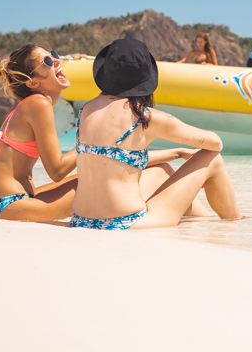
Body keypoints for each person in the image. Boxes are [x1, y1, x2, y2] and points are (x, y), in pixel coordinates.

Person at [71, 37, 240, 230]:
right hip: (125, 223)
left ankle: (202, 220)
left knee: (162, 171)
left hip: (81, 220)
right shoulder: (144, 117)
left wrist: (177, 152)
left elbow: (112, 157)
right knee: (213, 158)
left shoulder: (87, 110)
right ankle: (234, 224)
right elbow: (215, 143)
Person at [0, 45, 78, 221]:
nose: (55, 60)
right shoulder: (38, 103)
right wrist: (91, 142)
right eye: (47, 61)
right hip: (9, 205)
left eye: (52, 55)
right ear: (32, 83)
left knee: (91, 174)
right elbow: (57, 170)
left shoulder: (25, 105)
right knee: (104, 180)